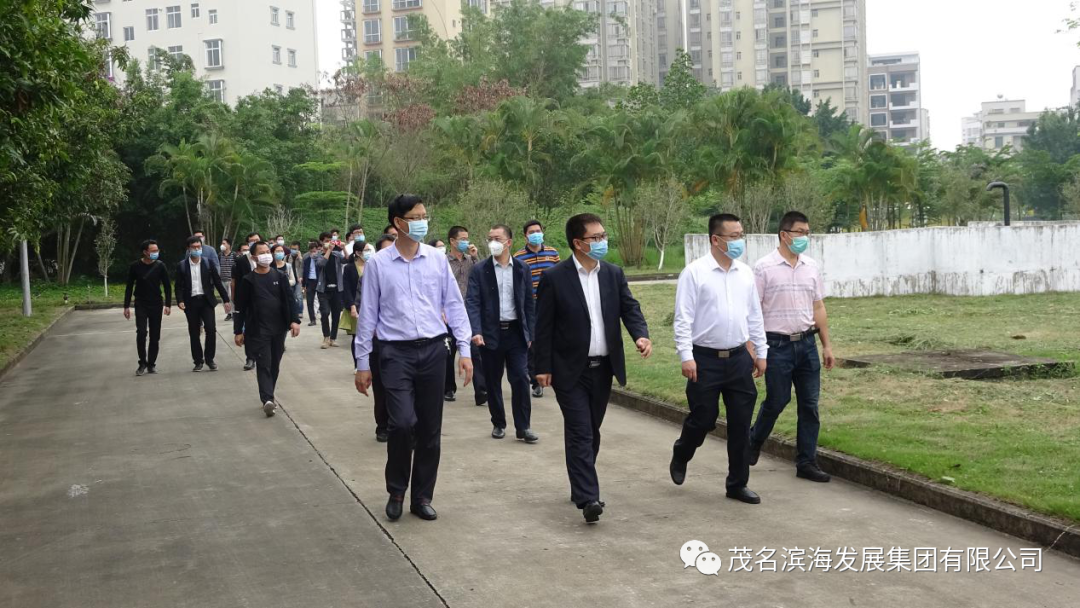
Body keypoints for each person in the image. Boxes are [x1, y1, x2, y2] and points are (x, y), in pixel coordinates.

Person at [354, 194, 474, 523]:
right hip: (395, 353)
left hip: (434, 350)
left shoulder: (436, 259)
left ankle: (422, 496)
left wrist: (465, 350)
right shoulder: (379, 264)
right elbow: (368, 316)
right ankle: (396, 490)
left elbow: (454, 305)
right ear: (398, 222)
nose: (422, 222)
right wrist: (362, 363)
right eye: (415, 217)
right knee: (402, 423)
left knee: (430, 428)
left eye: (424, 215)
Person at [533, 213, 651, 524]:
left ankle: (580, 483)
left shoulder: (612, 273)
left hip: (603, 368)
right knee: (580, 431)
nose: (602, 242)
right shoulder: (555, 278)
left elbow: (630, 308)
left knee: (591, 431)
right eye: (595, 238)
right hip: (569, 369)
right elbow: (543, 326)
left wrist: (640, 335)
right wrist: (541, 366)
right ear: (578, 243)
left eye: (603, 236)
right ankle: (588, 497)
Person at [668, 213, 768, 505]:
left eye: (741, 235)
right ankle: (682, 451)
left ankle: (737, 483)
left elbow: (754, 315)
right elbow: (683, 318)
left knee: (740, 424)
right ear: (715, 239)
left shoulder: (745, 273)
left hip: (738, 358)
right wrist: (686, 356)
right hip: (704, 359)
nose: (739, 241)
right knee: (703, 418)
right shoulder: (695, 273)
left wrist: (761, 352)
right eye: (733, 236)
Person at [747, 211, 835, 483]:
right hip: (776, 345)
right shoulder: (764, 268)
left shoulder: (811, 266)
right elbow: (753, 310)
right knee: (777, 400)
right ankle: (753, 441)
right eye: (800, 232)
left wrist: (826, 345)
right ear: (784, 235)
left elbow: (818, 306)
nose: (804, 237)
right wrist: (753, 348)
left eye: (807, 233)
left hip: (807, 344)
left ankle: (806, 462)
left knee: (810, 405)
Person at [466, 224, 538, 442]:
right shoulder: (480, 270)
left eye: (497, 238)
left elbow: (529, 304)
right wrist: (476, 331)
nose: (493, 243)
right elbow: (473, 302)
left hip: (516, 332)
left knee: (520, 378)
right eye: (490, 238)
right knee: (492, 380)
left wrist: (530, 333)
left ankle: (523, 427)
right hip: (490, 333)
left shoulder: (522, 269)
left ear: (509, 242)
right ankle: (498, 422)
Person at [234, 242, 302, 417]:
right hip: (258, 330)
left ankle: (269, 392)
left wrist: (294, 321)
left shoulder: (280, 276)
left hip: (279, 328)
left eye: (267, 252)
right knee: (263, 363)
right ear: (254, 257)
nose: (266, 255)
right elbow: (240, 307)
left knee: (274, 364)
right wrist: (238, 331)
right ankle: (267, 399)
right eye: (261, 253)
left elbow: (290, 300)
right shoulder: (248, 280)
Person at [514, 219, 561, 398]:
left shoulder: (552, 253)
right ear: (525, 236)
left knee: (554, 339)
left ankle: (554, 373)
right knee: (533, 343)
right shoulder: (518, 257)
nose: (535, 234)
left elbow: (560, 276)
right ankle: (535, 381)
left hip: (551, 303)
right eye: (531, 232)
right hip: (531, 304)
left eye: (538, 231)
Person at [174, 236, 231, 372]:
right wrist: (180, 300)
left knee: (211, 330)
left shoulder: (208, 263)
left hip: (206, 301)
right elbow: (178, 286)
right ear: (188, 249)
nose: (196, 249)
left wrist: (226, 300)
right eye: (193, 247)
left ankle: (210, 359)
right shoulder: (182, 265)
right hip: (190, 302)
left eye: (199, 247)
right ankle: (198, 361)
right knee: (194, 332)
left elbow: (217, 282)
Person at [445, 226, 487, 405]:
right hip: (448, 312)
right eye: (462, 239)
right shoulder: (443, 261)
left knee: (475, 351)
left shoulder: (471, 260)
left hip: (469, 312)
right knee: (448, 352)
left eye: (467, 239)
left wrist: (475, 256)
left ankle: (481, 390)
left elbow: (484, 275)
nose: (466, 242)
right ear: (452, 241)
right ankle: (448, 388)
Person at [123, 239, 172, 376]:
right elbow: (129, 286)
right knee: (141, 332)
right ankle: (142, 363)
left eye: (157, 250)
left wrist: (168, 304)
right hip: (141, 303)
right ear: (145, 252)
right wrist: (126, 306)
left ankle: (151, 364)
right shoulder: (135, 266)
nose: (156, 252)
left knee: (155, 335)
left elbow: (167, 286)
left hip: (156, 303)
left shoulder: (160, 266)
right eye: (153, 251)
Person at [232, 236, 259, 371]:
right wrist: (236, 299)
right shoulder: (241, 261)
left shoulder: (267, 258)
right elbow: (237, 282)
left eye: (257, 240)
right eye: (252, 240)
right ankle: (250, 357)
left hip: (264, 299)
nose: (255, 242)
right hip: (248, 299)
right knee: (249, 329)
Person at [316, 235, 346, 349]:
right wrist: (328, 250)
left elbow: (347, 260)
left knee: (336, 314)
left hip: (337, 289)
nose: (329, 243)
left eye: (330, 241)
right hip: (323, 289)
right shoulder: (318, 256)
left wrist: (344, 248)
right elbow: (321, 264)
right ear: (321, 242)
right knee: (325, 313)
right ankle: (326, 337)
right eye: (326, 241)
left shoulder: (337, 255)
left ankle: (333, 338)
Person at [301, 240, 322, 326]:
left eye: (315, 251)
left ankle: (323, 316)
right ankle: (312, 320)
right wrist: (303, 285)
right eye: (312, 251)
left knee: (322, 300)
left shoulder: (321, 259)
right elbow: (304, 272)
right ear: (309, 251)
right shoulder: (306, 260)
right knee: (309, 302)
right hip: (310, 282)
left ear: (317, 250)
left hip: (319, 281)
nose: (313, 253)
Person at [219, 238, 237, 321]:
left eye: (224, 243)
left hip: (231, 280)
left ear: (229, 245)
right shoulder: (220, 255)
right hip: (222, 280)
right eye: (222, 243)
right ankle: (228, 313)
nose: (222, 245)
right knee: (224, 298)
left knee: (231, 296)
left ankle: (233, 313)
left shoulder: (234, 255)